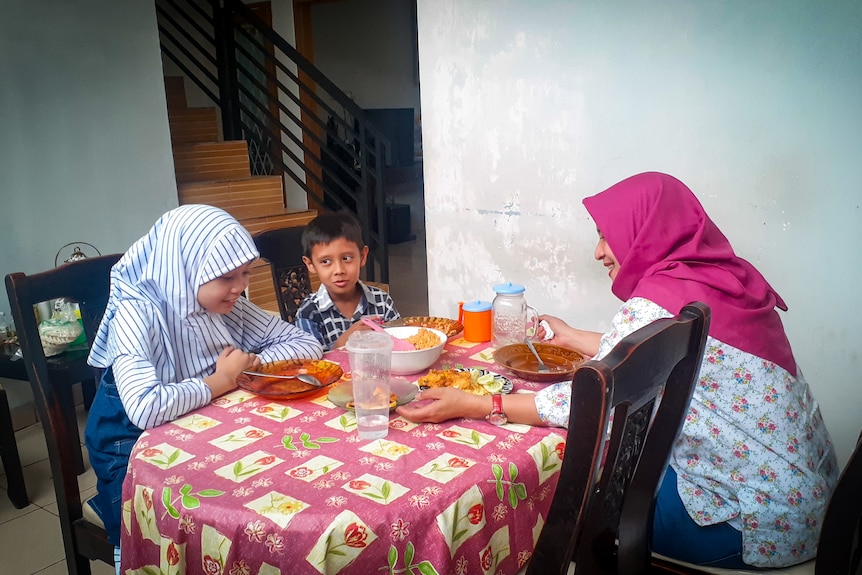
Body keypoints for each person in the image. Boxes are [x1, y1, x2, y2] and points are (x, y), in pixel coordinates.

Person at [397, 172, 837, 569]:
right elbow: (654, 352)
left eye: (607, 236)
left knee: (559, 508)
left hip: (753, 522)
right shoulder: (718, 281)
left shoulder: (653, 303)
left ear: (644, 231)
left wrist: (477, 403)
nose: (598, 252)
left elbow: (589, 399)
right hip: (806, 500)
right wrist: (572, 337)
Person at [84, 205, 324, 564]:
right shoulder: (138, 313)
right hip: (128, 441)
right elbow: (145, 407)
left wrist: (245, 369)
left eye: (245, 273)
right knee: (141, 523)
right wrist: (220, 380)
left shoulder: (226, 305)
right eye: (227, 277)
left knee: (249, 495)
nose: (240, 287)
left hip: (198, 423)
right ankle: (112, 512)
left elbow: (307, 345)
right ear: (186, 270)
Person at [295, 211, 400, 350]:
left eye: (347, 258)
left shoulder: (381, 302)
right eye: (326, 261)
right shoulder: (309, 313)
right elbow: (311, 365)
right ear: (310, 265)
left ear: (362, 256)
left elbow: (400, 344)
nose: (339, 270)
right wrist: (343, 343)